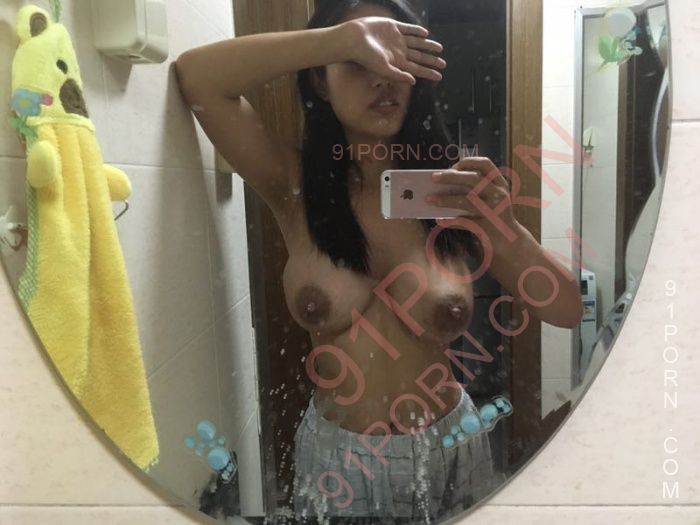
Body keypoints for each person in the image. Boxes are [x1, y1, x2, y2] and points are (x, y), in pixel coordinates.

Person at [174, 1, 583, 522]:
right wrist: (335, 41)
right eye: (359, 63)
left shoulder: (454, 196)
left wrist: (506, 233)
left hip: (448, 449)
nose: (383, 79)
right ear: (320, 82)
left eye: (397, 63)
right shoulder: (295, 189)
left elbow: (567, 310)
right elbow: (198, 78)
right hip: (337, 461)